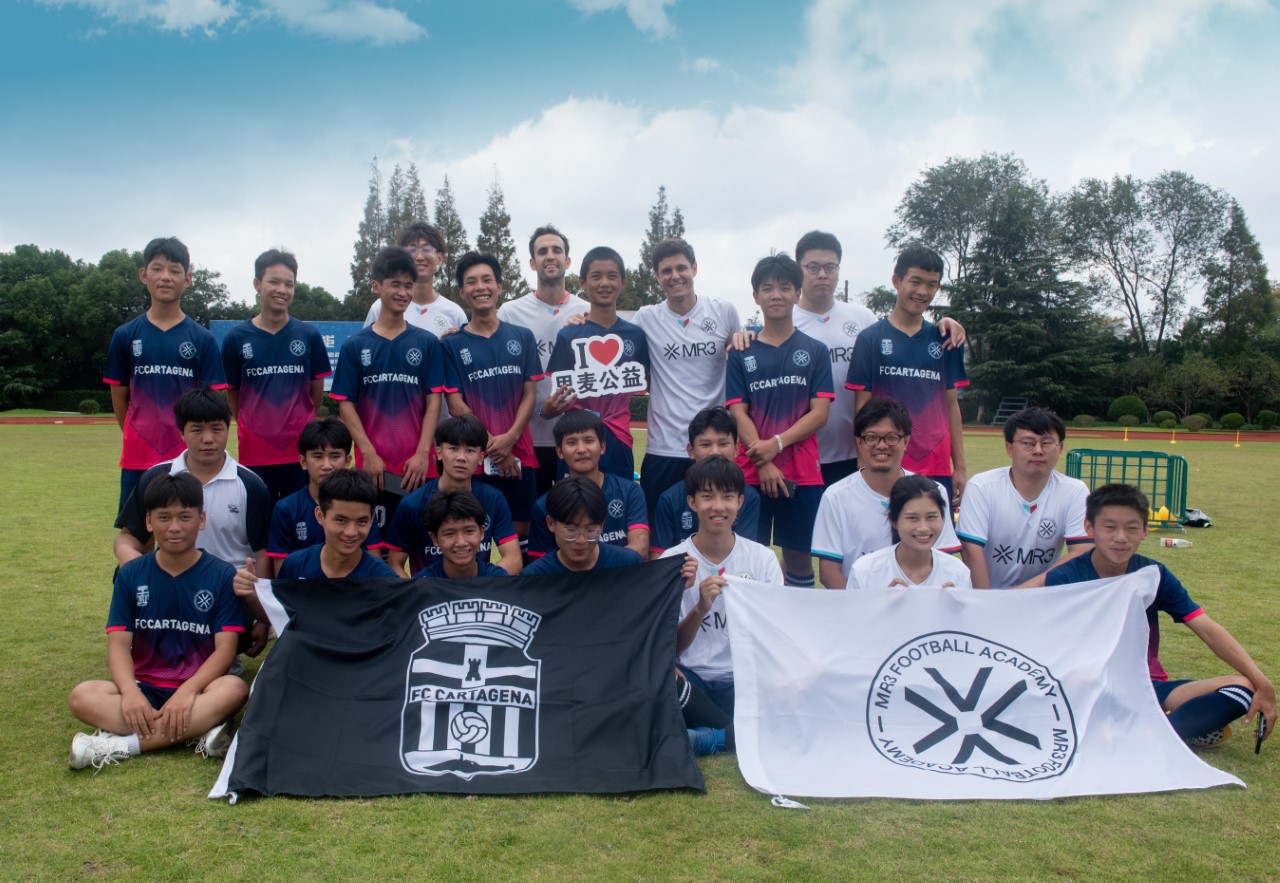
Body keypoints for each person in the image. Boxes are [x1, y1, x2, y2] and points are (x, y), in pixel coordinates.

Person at [1045, 484, 1275, 749]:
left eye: (1132, 528)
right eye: (1109, 527)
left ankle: (1145, 734)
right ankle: (1167, 730)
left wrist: (1263, 683)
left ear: (1144, 530)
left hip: (1146, 686)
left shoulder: (1154, 574)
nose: (1121, 537)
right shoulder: (1064, 578)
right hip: (1086, 690)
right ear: (1089, 528)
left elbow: (1207, 629)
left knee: (1241, 688)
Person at [68, 473, 248, 770]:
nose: (174, 527)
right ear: (149, 522)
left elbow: (225, 651)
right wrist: (129, 694)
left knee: (234, 688)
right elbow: (118, 645)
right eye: (163, 517)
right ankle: (196, 730)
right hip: (144, 687)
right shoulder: (131, 573)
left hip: (199, 689)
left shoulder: (221, 574)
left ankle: (117, 745)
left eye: (184, 517)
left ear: (201, 520)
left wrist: (188, 692)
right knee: (82, 696)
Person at [114, 386, 272, 654]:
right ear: (182, 431)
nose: (208, 439)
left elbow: (263, 554)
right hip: (170, 578)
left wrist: (262, 618)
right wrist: (140, 569)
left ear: (229, 427)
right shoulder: (157, 478)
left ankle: (219, 653)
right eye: (197, 430)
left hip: (227, 588)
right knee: (123, 574)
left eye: (216, 428)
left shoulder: (250, 484)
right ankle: (145, 651)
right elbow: (127, 538)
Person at [725, 254, 832, 588]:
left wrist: (777, 444)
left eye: (784, 288)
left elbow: (820, 413)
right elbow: (737, 411)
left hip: (802, 473)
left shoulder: (815, 350)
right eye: (767, 288)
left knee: (799, 555)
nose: (776, 295)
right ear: (755, 296)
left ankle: (796, 630)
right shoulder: (741, 351)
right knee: (748, 554)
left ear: (797, 294)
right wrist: (763, 460)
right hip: (751, 473)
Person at [104, 236, 226, 513]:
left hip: (187, 458)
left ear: (188, 279)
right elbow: (120, 399)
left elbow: (211, 406)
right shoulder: (125, 336)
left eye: (174, 270)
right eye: (157, 268)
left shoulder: (202, 339)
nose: (165, 277)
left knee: (187, 531)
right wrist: (138, 434)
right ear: (143, 275)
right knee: (138, 535)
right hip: (138, 455)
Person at [662, 456, 783, 723]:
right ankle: (733, 730)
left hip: (746, 678)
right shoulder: (672, 562)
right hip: (694, 678)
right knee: (664, 683)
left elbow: (775, 635)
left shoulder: (762, 559)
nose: (718, 507)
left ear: (740, 502)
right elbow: (668, 648)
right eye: (707, 497)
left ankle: (716, 733)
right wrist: (700, 608)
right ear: (692, 502)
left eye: (728, 497)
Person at [846, 244, 969, 502]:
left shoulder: (945, 339)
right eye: (915, 281)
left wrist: (960, 466)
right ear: (897, 280)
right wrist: (862, 463)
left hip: (935, 464)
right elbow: (861, 407)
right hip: (884, 462)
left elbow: (952, 405)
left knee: (932, 537)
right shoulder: (870, 339)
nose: (922, 291)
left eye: (932, 284)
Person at [631, 237, 742, 523]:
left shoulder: (724, 311)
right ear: (656, 276)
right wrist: (580, 321)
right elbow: (614, 338)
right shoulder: (646, 318)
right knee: (658, 533)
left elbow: (744, 360)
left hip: (712, 445)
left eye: (681, 268)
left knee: (718, 527)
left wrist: (750, 336)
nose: (675, 276)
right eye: (666, 271)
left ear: (694, 268)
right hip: (664, 447)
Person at [440, 251, 543, 550]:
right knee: (471, 534)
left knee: (522, 533)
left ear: (500, 287)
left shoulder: (523, 337)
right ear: (462, 291)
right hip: (473, 458)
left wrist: (510, 438)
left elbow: (529, 393)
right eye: (471, 282)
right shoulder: (451, 344)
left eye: (487, 280)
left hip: (520, 452)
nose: (480, 287)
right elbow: (455, 403)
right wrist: (493, 447)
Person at [330, 246, 444, 503]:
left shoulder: (427, 343)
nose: (403, 293)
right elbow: (345, 405)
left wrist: (422, 454)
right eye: (395, 284)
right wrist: (368, 453)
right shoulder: (355, 345)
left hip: (416, 469)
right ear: (376, 286)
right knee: (370, 541)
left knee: (417, 541)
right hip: (372, 469)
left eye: (408, 285)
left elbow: (433, 402)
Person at [811, 396, 960, 589]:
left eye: (891, 438)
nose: (881, 446)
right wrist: (871, 611)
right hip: (862, 610)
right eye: (871, 438)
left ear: (905, 441)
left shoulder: (933, 491)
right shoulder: (836, 497)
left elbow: (944, 561)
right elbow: (829, 572)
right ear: (859, 443)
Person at [219, 249, 330, 501]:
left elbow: (315, 395)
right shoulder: (236, 338)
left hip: (301, 452)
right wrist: (250, 424)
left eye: (289, 284)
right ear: (257, 284)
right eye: (274, 281)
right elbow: (233, 393)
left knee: (300, 524)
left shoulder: (308, 335)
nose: (282, 289)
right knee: (259, 529)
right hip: (255, 452)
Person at [497, 225, 590, 499]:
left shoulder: (587, 311)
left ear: (568, 261)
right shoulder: (510, 312)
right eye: (542, 251)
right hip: (525, 439)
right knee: (528, 525)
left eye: (557, 250)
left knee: (573, 519)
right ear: (532, 262)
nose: (550, 256)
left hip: (574, 438)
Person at [542, 246, 650, 479]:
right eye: (596, 276)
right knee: (573, 512)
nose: (604, 283)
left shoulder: (636, 336)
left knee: (617, 509)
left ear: (623, 281)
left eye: (612, 276)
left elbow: (643, 385)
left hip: (619, 439)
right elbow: (552, 403)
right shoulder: (569, 335)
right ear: (582, 282)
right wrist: (547, 409)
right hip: (577, 441)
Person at [957, 407, 1092, 588]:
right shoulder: (982, 487)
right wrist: (986, 602)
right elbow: (971, 551)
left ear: (1060, 448)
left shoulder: (1074, 491)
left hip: (1042, 596)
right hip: (989, 595)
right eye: (1028, 443)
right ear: (1010, 448)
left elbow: (1081, 551)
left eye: (1047, 443)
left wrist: (1021, 593)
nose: (1038, 450)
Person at [384, 415, 521, 577]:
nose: (461, 457)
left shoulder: (493, 498)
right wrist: (417, 594)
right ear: (439, 453)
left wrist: (480, 588)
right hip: (430, 594)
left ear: (480, 458)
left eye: (470, 450)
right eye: (453, 449)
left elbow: (513, 559)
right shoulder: (412, 503)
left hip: (478, 593)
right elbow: (394, 563)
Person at [264, 416, 385, 576]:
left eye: (335, 456)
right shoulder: (286, 509)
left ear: (347, 460)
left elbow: (374, 567)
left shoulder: (361, 505)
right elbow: (284, 577)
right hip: (304, 595)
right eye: (317, 456)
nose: (327, 465)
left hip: (353, 593)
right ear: (303, 461)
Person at [237, 470, 395, 591]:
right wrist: (252, 593)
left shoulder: (383, 579)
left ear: (372, 519)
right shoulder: (295, 565)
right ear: (320, 516)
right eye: (341, 520)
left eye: (361, 521)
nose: (351, 532)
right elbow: (281, 613)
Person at [527, 410, 648, 560]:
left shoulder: (630, 492)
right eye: (572, 442)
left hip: (620, 580)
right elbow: (541, 565)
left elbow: (640, 547)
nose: (581, 449)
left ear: (602, 447)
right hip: (570, 583)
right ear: (559, 451)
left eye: (588, 440)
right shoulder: (544, 505)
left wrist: (594, 567)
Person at [649, 406, 761, 557]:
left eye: (723, 444)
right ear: (691, 450)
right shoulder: (670, 498)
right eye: (705, 444)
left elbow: (748, 554)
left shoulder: (749, 496)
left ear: (736, 448)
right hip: (684, 578)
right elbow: (658, 560)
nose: (715, 452)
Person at [849, 475, 972, 590]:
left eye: (931, 517)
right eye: (912, 518)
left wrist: (955, 607)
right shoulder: (864, 572)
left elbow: (967, 613)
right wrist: (882, 605)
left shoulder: (959, 574)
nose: (923, 528)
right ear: (893, 520)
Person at [522, 477, 644, 575]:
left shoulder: (628, 564)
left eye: (590, 530)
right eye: (571, 530)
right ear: (551, 523)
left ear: (601, 525)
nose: (581, 540)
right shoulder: (535, 577)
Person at [363, 222, 468, 336]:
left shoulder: (455, 313)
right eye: (412, 250)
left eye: (426, 249)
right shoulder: (380, 307)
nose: (419, 257)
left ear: (440, 257)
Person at [415, 490, 511, 579]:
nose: (461, 542)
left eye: (469, 531)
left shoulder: (497, 580)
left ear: (482, 532)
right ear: (435, 538)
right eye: (449, 534)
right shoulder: (422, 585)